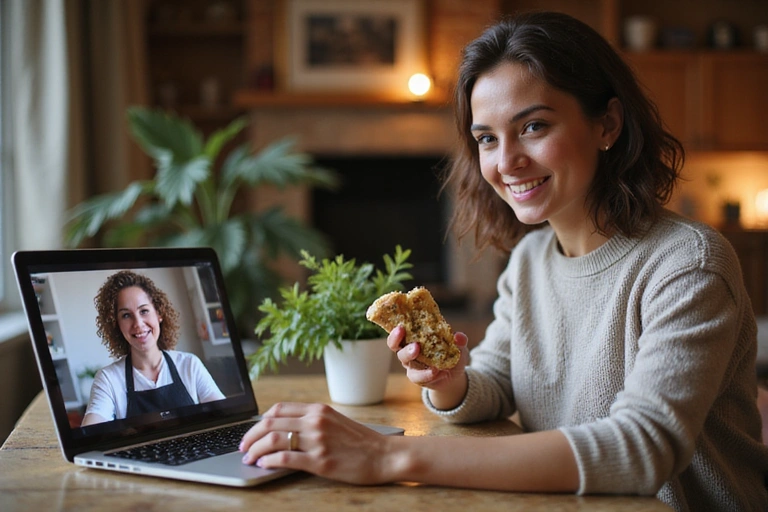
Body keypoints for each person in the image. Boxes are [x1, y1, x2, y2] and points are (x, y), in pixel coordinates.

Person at [237, 11, 768, 511]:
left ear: (607, 124)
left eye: (534, 127)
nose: (506, 161)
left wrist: (385, 455)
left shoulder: (688, 263)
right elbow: (496, 380)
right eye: (487, 138)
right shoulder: (532, 258)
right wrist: (449, 381)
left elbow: (642, 447)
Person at [82, 270, 225, 426]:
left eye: (144, 311)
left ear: (159, 313)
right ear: (116, 324)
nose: (138, 324)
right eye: (126, 315)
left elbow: (224, 414)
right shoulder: (108, 379)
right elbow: (92, 431)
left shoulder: (190, 365)